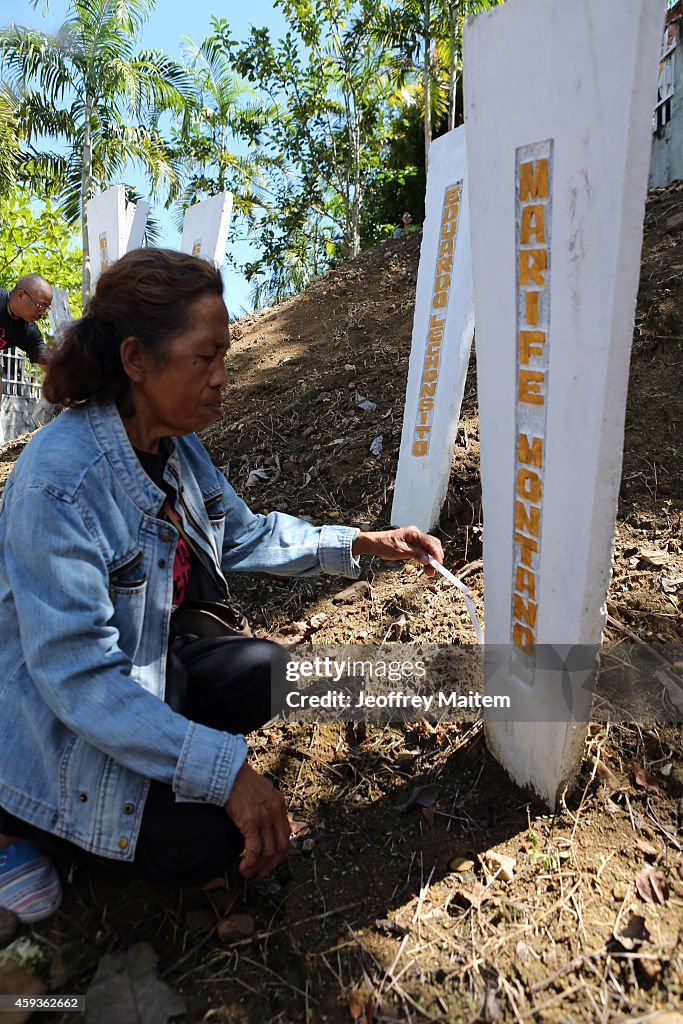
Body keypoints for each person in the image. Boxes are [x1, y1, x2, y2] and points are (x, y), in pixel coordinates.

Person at [0, 248, 444, 922]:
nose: (220, 378)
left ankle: (154, 757)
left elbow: (241, 533)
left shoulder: (175, 445)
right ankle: (21, 820)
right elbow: (79, 678)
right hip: (47, 729)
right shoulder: (60, 480)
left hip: (140, 673)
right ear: (135, 360)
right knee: (210, 843)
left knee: (265, 670)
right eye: (203, 357)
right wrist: (226, 772)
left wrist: (359, 542)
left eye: (224, 356)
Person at [0, 274, 52, 445]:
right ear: (21, 295)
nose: (42, 312)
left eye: (47, 308)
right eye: (40, 305)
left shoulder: (27, 331)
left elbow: (47, 362)